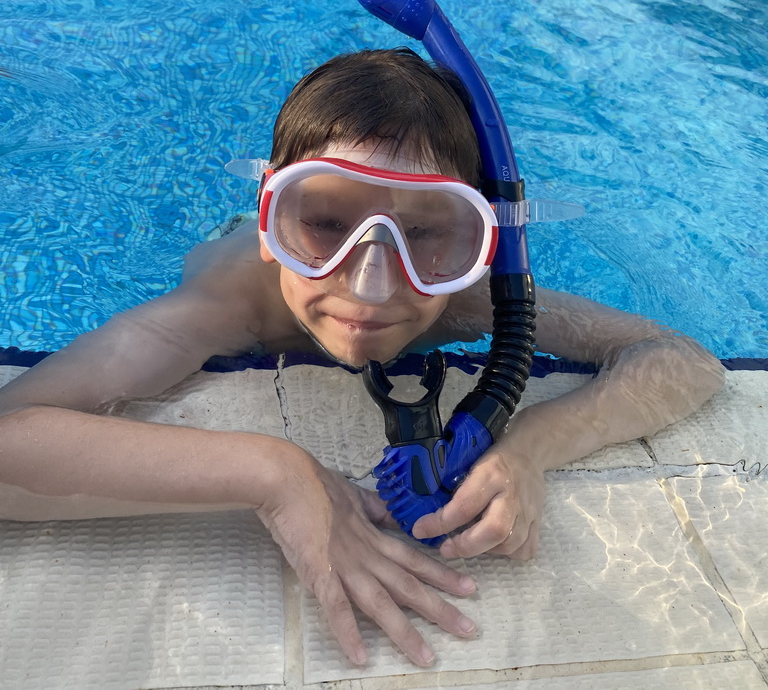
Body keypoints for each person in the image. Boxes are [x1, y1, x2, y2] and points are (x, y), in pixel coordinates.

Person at [0, 47, 724, 670]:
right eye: (322, 222)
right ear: (269, 219)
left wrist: (532, 446)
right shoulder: (221, 307)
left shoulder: (473, 296)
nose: (371, 285)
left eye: (427, 231)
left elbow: (685, 361)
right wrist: (273, 472)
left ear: (475, 245)